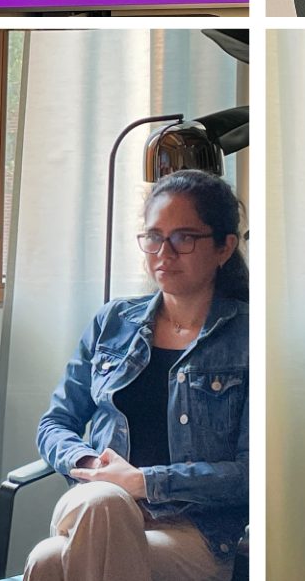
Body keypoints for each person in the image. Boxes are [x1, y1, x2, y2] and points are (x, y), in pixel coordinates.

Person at [27, 170, 248, 581]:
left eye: (184, 237)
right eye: (153, 237)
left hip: (195, 529)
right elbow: (55, 424)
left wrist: (143, 482)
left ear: (224, 247)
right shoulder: (113, 321)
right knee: (104, 504)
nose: (164, 253)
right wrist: (91, 462)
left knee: (47, 561)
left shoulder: (248, 337)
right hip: (96, 499)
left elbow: (249, 473)